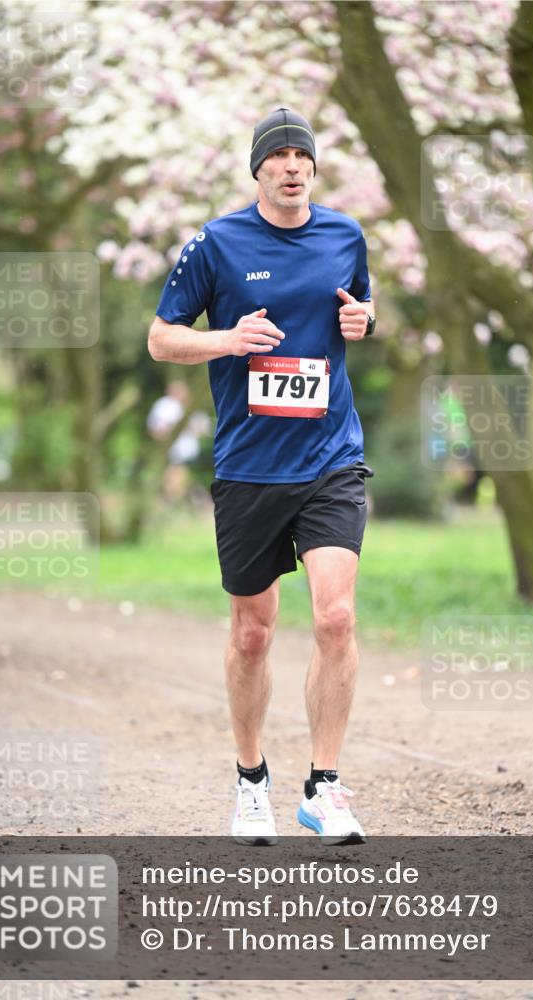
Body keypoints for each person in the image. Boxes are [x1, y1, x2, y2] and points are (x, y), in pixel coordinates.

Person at [148, 107, 376, 846]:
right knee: (253, 633)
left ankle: (325, 786)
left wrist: (362, 324)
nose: (290, 165)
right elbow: (160, 339)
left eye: (300, 154)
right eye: (276, 155)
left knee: (335, 617)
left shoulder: (345, 235)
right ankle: (251, 779)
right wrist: (226, 339)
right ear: (258, 169)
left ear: (313, 167)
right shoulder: (216, 244)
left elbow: (358, 308)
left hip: (330, 456)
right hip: (249, 466)